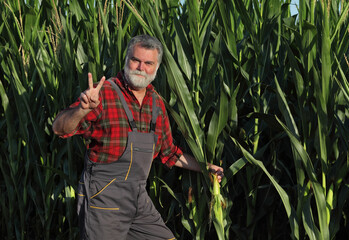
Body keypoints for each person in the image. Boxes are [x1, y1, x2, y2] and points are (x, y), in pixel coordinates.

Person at [52, 35, 224, 240]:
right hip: (104, 198)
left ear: (156, 67)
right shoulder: (103, 93)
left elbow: (169, 153)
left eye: (148, 63)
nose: (140, 67)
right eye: (135, 60)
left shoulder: (156, 103)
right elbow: (60, 128)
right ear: (126, 60)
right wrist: (82, 110)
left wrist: (205, 167)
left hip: (137, 197)